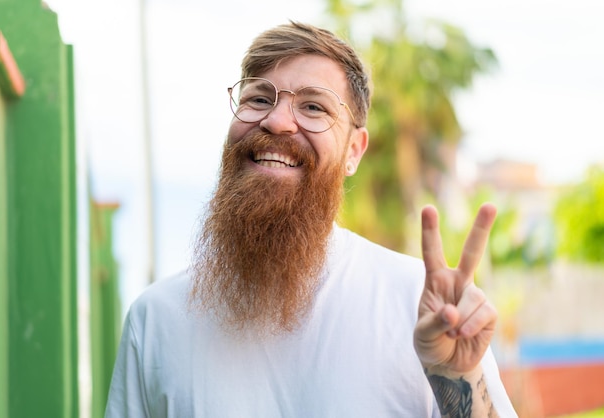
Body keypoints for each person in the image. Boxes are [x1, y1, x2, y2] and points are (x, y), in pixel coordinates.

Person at [105, 21, 517, 417]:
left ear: (354, 150)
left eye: (313, 106)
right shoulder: (155, 319)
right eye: (259, 98)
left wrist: (455, 373)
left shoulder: (415, 303)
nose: (277, 120)